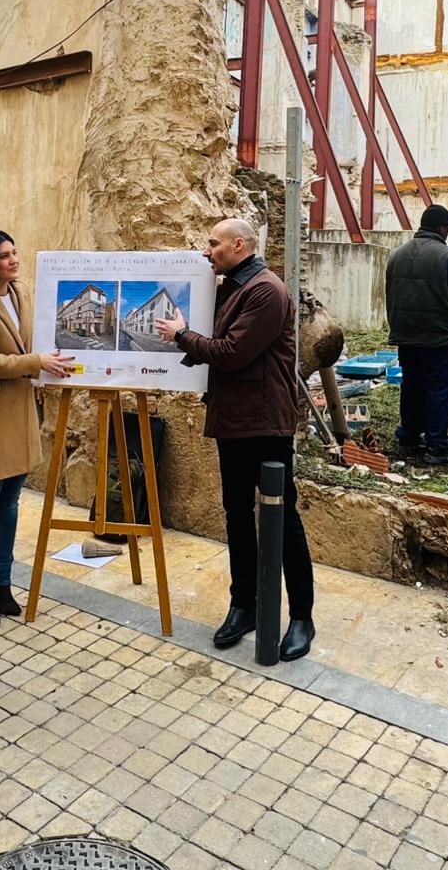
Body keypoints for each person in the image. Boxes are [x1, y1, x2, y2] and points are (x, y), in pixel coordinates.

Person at [154, 219, 315, 661]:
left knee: (284, 521)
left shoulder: (265, 290)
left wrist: (181, 336)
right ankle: (244, 605)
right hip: (233, 421)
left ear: (238, 245)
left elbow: (231, 352)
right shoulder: (231, 286)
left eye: (213, 243)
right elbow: (215, 342)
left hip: (265, 423)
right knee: (237, 516)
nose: (207, 251)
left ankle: (302, 616)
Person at [0, 231, 74, 627]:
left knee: (9, 503)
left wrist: (45, 359)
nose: (14, 260)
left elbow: (30, 346)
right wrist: (35, 362)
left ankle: (4, 584)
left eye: (14, 252)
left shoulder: (21, 294)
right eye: (5, 256)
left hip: (21, 411)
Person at [384, 204, 448, 466]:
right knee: (439, 389)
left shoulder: (397, 255)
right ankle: (437, 447)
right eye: (447, 228)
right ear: (442, 227)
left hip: (406, 335)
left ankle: (409, 435)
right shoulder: (447, 256)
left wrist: (398, 329)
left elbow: (389, 296)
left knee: (411, 386)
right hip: (439, 337)